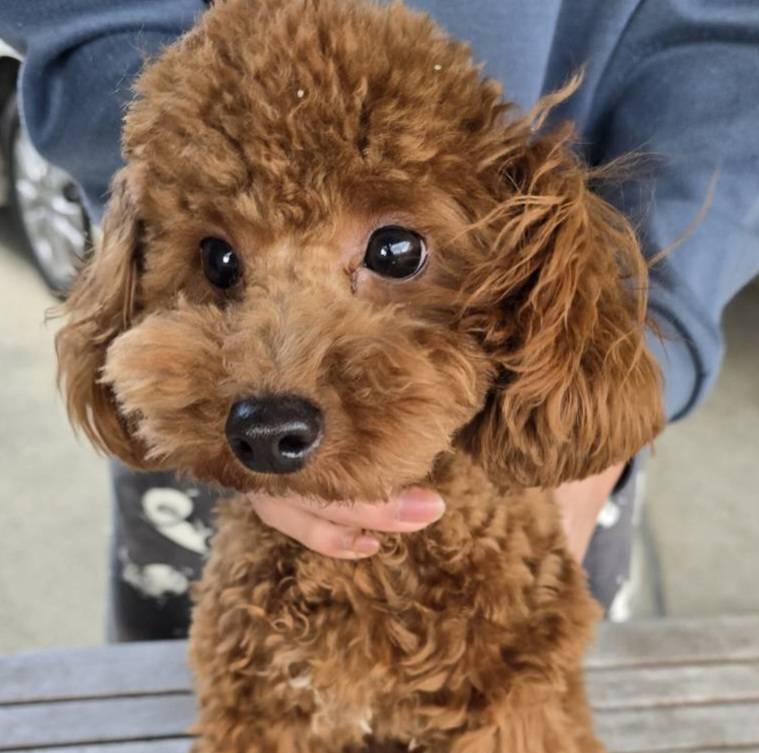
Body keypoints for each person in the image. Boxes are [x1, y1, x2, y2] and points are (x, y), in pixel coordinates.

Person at [3, 0, 758, 639]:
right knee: (190, 706)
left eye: (392, 253)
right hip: (205, 458)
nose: (280, 372)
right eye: (224, 260)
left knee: (523, 701)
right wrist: (145, 124)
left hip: (536, 385)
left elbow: (729, 38)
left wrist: (650, 315)